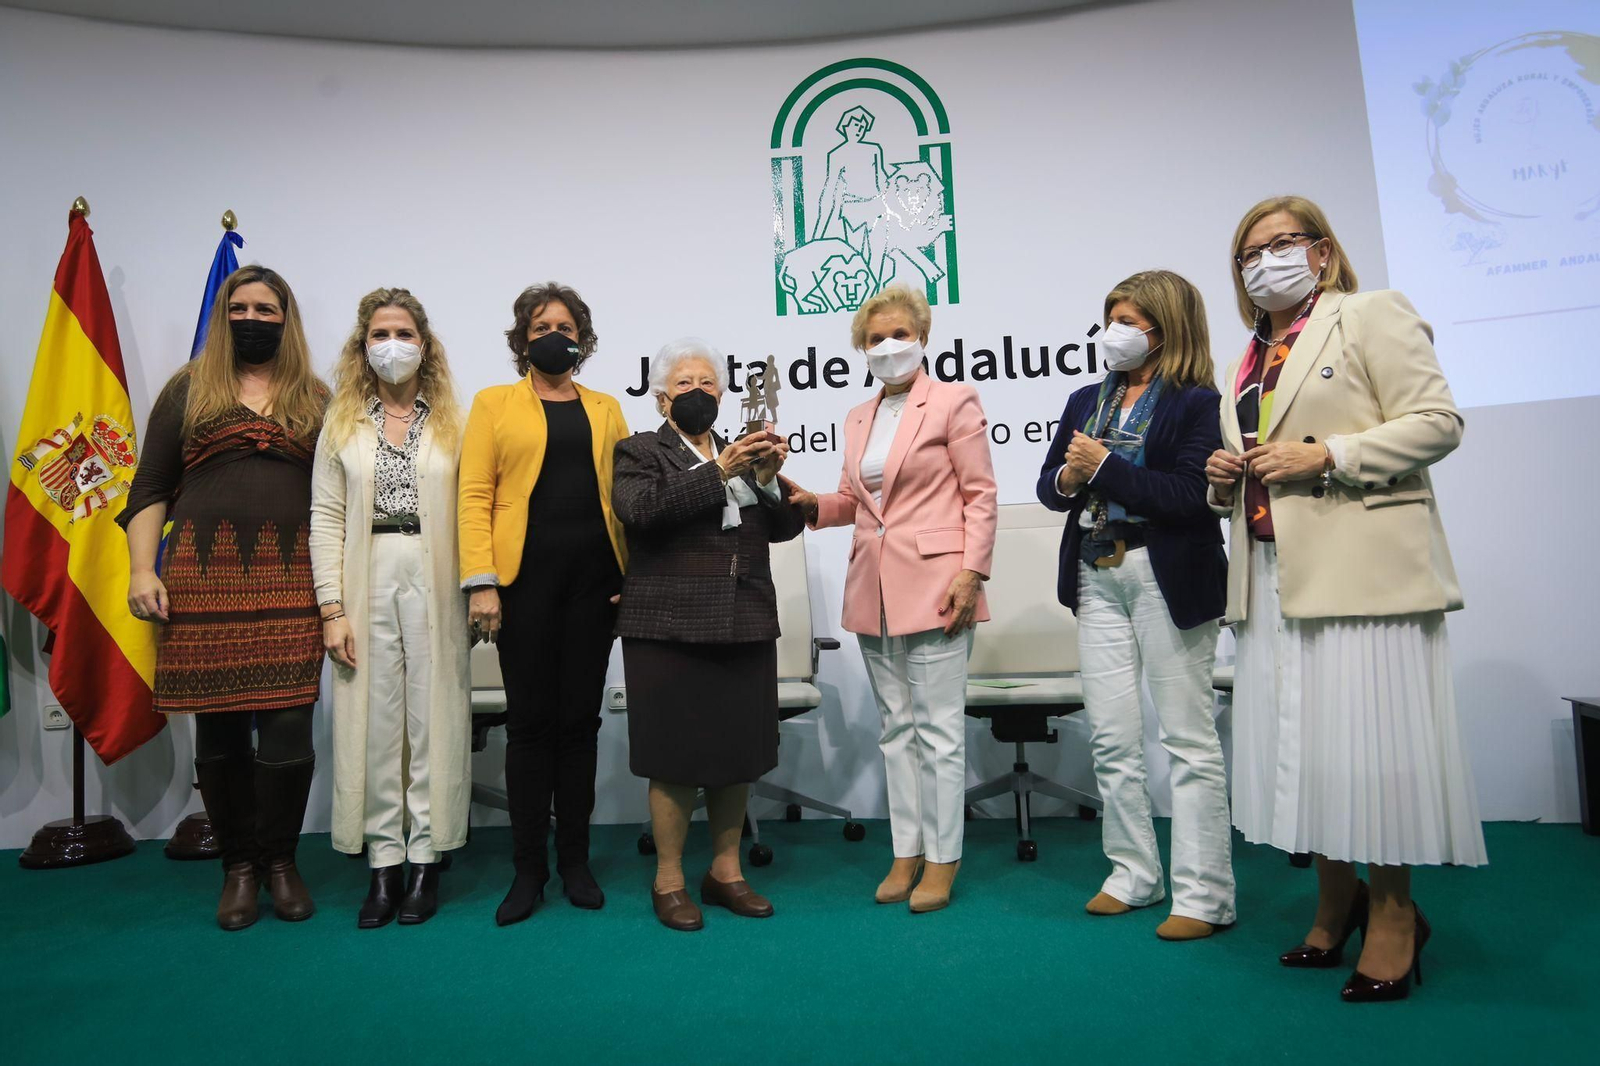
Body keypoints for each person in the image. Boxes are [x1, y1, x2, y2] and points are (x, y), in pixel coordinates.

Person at [1205, 195, 1486, 1001]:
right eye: (1248, 253)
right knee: (1308, 751)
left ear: (1321, 252)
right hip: (1271, 577)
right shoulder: (1249, 358)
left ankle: (1396, 914)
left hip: (1365, 572)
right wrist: (1226, 475)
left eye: (1281, 244)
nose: (1264, 261)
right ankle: (1336, 902)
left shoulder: (1370, 314)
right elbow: (1264, 463)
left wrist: (1328, 452)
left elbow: (1438, 422)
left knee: (1375, 753)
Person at [120, 265, 327, 931]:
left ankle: (281, 862)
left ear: (286, 319)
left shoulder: (317, 400)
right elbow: (149, 486)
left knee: (290, 734)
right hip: (201, 584)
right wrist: (139, 571)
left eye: (266, 308)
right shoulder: (188, 389)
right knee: (220, 735)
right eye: (239, 307)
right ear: (222, 315)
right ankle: (238, 867)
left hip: (294, 582)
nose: (251, 319)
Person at [1035, 270, 1233, 940]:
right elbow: (1051, 486)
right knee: (1113, 737)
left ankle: (1204, 895)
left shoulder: (1199, 402)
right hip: (1097, 570)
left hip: (1167, 573)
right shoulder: (1087, 399)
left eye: (1130, 320)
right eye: (1110, 317)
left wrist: (1102, 468)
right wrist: (1068, 476)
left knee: (1186, 738)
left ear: (1165, 328)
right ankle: (1132, 875)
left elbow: (1187, 497)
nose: (1114, 332)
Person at [789, 285, 997, 913]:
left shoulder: (954, 402)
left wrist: (973, 572)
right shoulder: (857, 416)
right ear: (861, 347)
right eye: (875, 338)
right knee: (896, 729)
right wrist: (812, 506)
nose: (888, 346)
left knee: (938, 731)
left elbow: (981, 495)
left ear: (923, 336)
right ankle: (905, 851)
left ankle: (943, 858)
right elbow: (857, 502)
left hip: (939, 585)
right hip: (872, 588)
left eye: (900, 333)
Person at [612, 338, 805, 931]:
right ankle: (669, 878)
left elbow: (783, 527)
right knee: (672, 758)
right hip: (665, 625)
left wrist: (770, 479)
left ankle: (725, 871)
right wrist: (720, 470)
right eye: (685, 385)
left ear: (722, 395)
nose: (698, 393)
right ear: (662, 397)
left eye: (707, 384)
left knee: (737, 754)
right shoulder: (638, 451)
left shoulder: (743, 451)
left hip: (744, 617)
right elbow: (641, 511)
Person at [458, 281, 629, 926]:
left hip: (596, 585)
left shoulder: (607, 407)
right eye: (538, 328)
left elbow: (628, 499)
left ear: (581, 339)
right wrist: (481, 581)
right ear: (521, 340)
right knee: (530, 726)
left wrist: (630, 577)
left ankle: (576, 861)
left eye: (563, 326)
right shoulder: (493, 404)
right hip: (521, 587)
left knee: (580, 723)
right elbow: (474, 495)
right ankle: (528, 868)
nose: (551, 336)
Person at [310, 288, 470, 928]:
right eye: (379, 334)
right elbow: (324, 515)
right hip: (364, 572)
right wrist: (331, 608)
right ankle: (383, 864)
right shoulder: (343, 423)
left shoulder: (453, 423)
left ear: (424, 345)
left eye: (403, 333)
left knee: (433, 719)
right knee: (374, 725)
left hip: (436, 573)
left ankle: (426, 859)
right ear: (362, 345)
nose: (392, 345)